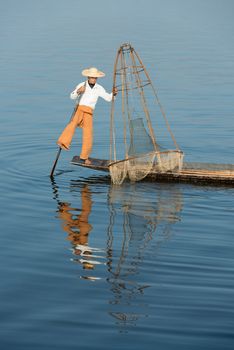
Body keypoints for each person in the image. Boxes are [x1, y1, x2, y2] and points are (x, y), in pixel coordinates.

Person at [57, 67, 117, 165]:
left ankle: (84, 157)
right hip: (80, 109)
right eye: (92, 77)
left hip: (89, 112)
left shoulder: (99, 88)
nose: (93, 79)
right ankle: (63, 142)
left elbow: (108, 98)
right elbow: (72, 96)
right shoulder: (82, 85)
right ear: (88, 77)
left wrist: (113, 94)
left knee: (88, 134)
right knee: (72, 126)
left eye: (95, 77)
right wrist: (78, 91)